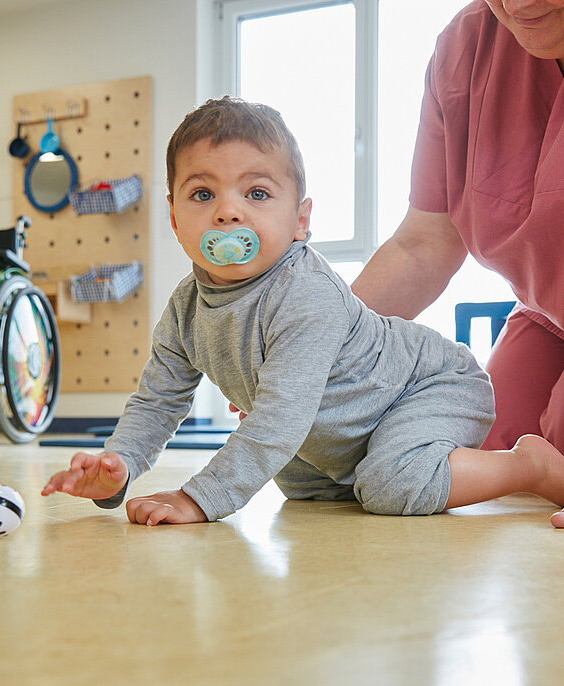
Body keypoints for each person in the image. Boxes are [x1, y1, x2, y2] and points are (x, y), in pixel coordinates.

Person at [42, 96, 564, 527]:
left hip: (428, 386)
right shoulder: (185, 310)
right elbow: (157, 402)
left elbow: (279, 418)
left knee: (392, 484)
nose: (229, 211)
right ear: (175, 221)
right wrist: (120, 465)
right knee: (299, 486)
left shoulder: (305, 292)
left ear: (300, 219)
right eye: (203, 193)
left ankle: (526, 466)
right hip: (338, 429)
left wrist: (201, 497)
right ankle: (378, 468)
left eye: (257, 192)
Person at [351, 0, 564, 514]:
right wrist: (313, 346)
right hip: (548, 312)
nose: (515, 3)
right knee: (480, 436)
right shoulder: (467, 46)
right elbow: (423, 243)